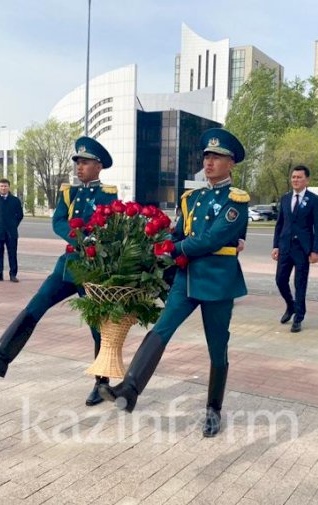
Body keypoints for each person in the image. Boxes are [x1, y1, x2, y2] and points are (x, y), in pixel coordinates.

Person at [99, 128, 248, 438]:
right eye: (207, 156)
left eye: (217, 157)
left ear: (231, 163)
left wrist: (174, 249)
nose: (209, 162)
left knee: (217, 348)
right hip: (187, 278)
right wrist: (157, 243)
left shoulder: (237, 201)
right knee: (161, 329)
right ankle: (129, 389)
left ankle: (213, 409)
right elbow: (180, 233)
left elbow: (211, 240)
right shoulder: (192, 198)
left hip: (218, 282)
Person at [0, 137, 118, 406]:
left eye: (85, 162)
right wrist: (77, 238)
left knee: (98, 327)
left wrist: (95, 241)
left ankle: (101, 383)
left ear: (98, 166)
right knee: (34, 307)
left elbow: (112, 225)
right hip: (68, 265)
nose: (79, 167)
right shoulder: (68, 193)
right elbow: (58, 220)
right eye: (77, 162)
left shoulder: (108, 194)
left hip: (94, 270)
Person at [271, 165, 318, 333]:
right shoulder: (285, 198)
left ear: (306, 180)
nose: (295, 180)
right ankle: (291, 305)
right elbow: (280, 224)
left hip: (303, 249)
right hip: (285, 247)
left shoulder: (314, 200)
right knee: (280, 280)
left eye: (299, 177)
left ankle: (298, 318)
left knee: (300, 284)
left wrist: (315, 250)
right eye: (293, 177)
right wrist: (275, 246)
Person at [0, 178, 24, 282]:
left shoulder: (15, 200)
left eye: (5, 186)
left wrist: (13, 225)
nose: (3, 188)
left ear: (9, 187)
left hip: (11, 232)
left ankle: (13, 274)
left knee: (12, 253)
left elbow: (20, 215)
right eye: (1, 186)